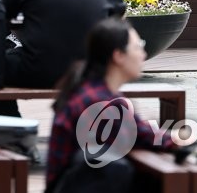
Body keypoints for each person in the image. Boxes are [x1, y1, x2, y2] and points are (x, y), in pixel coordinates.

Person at [46, 18, 175, 193]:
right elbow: (141, 135)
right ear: (118, 56)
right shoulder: (100, 101)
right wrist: (181, 139)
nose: (143, 55)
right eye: (138, 47)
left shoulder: (90, 89)